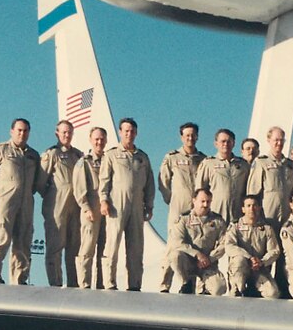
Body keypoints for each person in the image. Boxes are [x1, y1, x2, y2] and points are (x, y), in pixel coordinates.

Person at [0, 117, 42, 284]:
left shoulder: (33, 156)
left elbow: (37, 181)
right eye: (19, 130)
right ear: (12, 131)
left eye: (26, 131)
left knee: (23, 241)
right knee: (0, 237)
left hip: (26, 203)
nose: (22, 134)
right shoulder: (1, 150)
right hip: (6, 203)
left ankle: (19, 280)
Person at [99, 117, 155, 291]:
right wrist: (103, 200)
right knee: (112, 244)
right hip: (117, 204)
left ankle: (135, 284)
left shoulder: (142, 157)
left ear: (136, 133)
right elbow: (104, 179)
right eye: (126, 131)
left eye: (132, 131)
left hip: (137, 205)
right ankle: (109, 282)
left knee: (136, 246)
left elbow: (149, 183)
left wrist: (149, 205)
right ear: (120, 132)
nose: (129, 134)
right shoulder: (111, 154)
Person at [157, 122, 207, 292]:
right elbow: (163, 182)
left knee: (196, 246)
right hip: (178, 209)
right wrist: (171, 200)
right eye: (187, 135)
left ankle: (193, 285)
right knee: (173, 245)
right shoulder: (172, 157)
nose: (190, 138)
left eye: (193, 135)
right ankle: (165, 284)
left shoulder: (202, 159)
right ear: (181, 137)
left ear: (197, 137)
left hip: (196, 212)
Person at [38, 120, 84, 287]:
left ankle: (73, 283)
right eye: (64, 132)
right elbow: (40, 182)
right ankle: (55, 283)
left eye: (69, 132)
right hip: (57, 204)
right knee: (55, 246)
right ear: (57, 133)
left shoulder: (78, 156)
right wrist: (53, 196)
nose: (67, 135)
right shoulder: (52, 154)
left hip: (75, 206)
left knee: (74, 246)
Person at [167, 188, 228, 295]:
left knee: (219, 288)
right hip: (188, 261)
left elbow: (225, 243)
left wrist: (210, 258)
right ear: (194, 200)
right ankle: (187, 283)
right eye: (202, 201)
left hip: (208, 263)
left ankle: (206, 288)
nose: (205, 205)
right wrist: (197, 254)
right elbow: (177, 242)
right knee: (174, 256)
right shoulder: (184, 219)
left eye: (208, 202)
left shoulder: (217, 221)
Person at [72, 126, 108, 289]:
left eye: (102, 139)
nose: (99, 142)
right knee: (87, 248)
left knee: (105, 250)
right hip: (92, 208)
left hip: (107, 209)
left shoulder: (109, 160)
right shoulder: (84, 162)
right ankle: (84, 283)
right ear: (91, 140)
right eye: (96, 139)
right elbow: (79, 188)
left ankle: (101, 284)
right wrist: (86, 208)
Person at [224, 195, 280, 298]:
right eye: (248, 206)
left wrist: (262, 262)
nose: (251, 209)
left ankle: (254, 288)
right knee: (239, 261)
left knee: (273, 293)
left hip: (259, 268)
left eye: (255, 205)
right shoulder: (235, 226)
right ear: (243, 209)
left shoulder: (266, 228)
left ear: (259, 208)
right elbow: (229, 246)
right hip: (241, 267)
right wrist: (249, 257)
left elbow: (274, 251)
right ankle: (237, 288)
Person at [197, 128, 250, 225]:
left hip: (237, 215)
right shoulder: (209, 163)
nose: (226, 144)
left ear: (234, 143)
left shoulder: (243, 165)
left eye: (229, 141)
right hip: (215, 215)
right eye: (223, 141)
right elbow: (200, 190)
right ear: (216, 144)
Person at [247, 126, 293, 226]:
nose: (279, 143)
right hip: (268, 213)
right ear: (269, 140)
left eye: (282, 140)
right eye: (276, 140)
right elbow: (253, 191)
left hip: (287, 213)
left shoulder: (290, 165)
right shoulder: (261, 162)